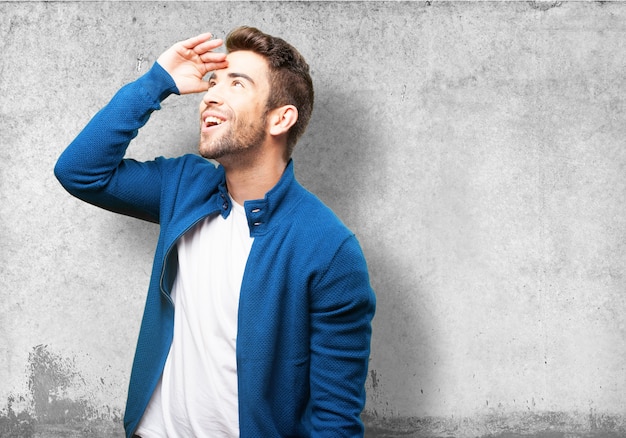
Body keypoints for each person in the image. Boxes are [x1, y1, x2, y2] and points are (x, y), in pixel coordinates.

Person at [54, 26, 376, 437]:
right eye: (213, 81)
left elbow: (335, 420)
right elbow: (79, 172)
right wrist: (158, 81)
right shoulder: (183, 185)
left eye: (236, 83)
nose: (210, 94)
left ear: (280, 118)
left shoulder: (329, 249)